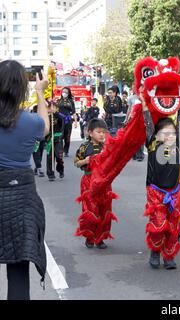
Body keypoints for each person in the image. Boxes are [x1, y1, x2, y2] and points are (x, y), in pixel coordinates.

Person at [0, 60, 50, 300]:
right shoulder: (31, 123)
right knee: (18, 270)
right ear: (22, 88)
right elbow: (45, 128)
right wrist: (40, 93)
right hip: (21, 200)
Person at [142, 92, 180, 270]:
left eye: (172, 133)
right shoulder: (153, 144)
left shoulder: (179, 145)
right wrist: (145, 103)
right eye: (165, 133)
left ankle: (169, 256)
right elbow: (148, 123)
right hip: (156, 191)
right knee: (159, 224)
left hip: (174, 191)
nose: (170, 135)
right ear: (157, 135)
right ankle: (155, 252)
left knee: (174, 226)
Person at [74, 118, 111, 249]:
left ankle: (100, 238)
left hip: (104, 183)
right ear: (90, 133)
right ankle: (90, 236)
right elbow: (76, 162)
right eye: (98, 132)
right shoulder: (84, 147)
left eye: (104, 132)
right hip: (88, 181)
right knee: (90, 209)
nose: (102, 135)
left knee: (104, 209)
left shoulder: (107, 146)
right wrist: (85, 161)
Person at [46, 102, 65, 181]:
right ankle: (50, 174)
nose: (52, 109)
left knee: (59, 156)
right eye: (51, 107)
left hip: (58, 139)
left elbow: (62, 124)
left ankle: (60, 170)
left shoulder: (60, 117)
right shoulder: (47, 117)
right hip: (50, 139)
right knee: (50, 157)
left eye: (54, 107)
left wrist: (56, 114)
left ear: (57, 109)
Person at [57, 87, 76, 157]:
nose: (64, 93)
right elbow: (56, 110)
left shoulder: (71, 101)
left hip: (68, 121)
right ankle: (61, 150)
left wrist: (76, 122)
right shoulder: (58, 101)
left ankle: (66, 151)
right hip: (60, 121)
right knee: (60, 136)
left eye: (66, 92)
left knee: (67, 136)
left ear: (68, 93)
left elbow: (74, 112)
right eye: (63, 91)